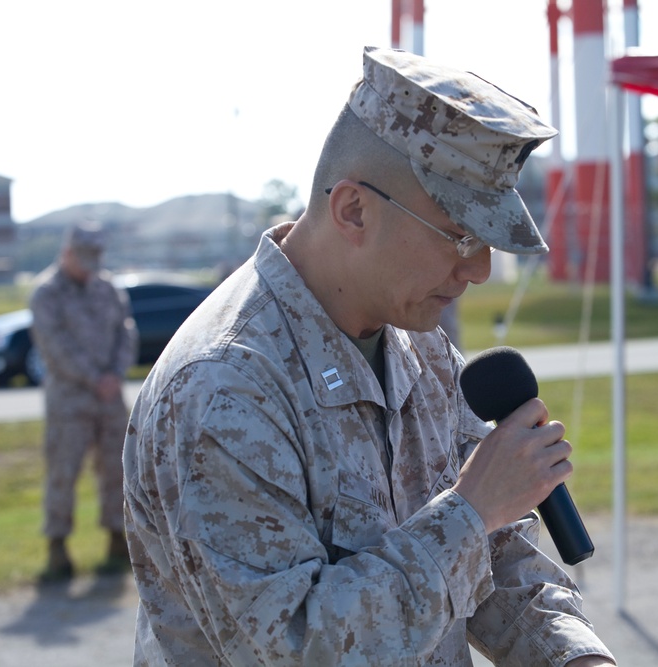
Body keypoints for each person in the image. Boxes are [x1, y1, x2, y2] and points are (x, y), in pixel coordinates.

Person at [123, 47, 616, 666]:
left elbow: (497, 560)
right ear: (353, 210)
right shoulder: (225, 388)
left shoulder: (422, 349)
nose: (480, 268)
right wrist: (469, 511)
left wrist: (574, 658)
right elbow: (293, 647)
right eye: (460, 234)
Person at [30, 221, 137, 582]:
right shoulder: (47, 293)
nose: (91, 265)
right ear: (67, 253)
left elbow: (126, 331)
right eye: (84, 258)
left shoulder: (107, 288)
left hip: (109, 400)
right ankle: (57, 547)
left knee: (117, 470)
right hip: (69, 400)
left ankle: (116, 540)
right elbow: (54, 345)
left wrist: (115, 373)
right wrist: (95, 378)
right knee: (64, 470)